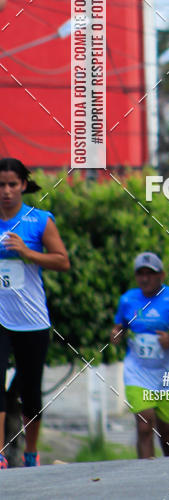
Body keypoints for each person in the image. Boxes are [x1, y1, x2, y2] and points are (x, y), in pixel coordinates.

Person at [0, 158, 70, 469]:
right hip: (1, 318)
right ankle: (0, 455)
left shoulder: (39, 221)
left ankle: (30, 452)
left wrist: (27, 252)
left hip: (31, 319)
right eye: (0, 185)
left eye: (12, 184)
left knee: (30, 391)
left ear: (24, 186)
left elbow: (62, 261)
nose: (6, 191)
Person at [110, 252, 169, 459]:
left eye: (149, 274)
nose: (144, 278)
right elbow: (121, 326)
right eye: (140, 274)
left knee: (167, 430)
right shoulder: (128, 299)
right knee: (144, 425)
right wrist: (117, 333)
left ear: (161, 274)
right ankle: (146, 476)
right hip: (138, 371)